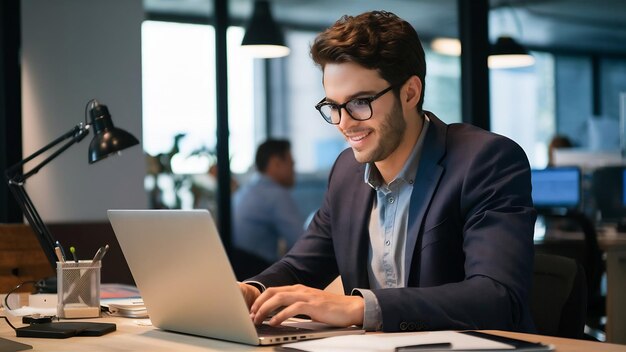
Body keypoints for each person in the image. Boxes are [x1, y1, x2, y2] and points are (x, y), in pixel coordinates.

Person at [239, 11, 536, 333]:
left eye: (360, 102)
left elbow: (497, 297)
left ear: (410, 93)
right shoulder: (346, 172)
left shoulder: (486, 161)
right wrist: (251, 292)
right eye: (334, 106)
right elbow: (302, 266)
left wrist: (360, 307)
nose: (344, 123)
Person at [232, 139, 304, 271]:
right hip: (257, 271)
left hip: (237, 271)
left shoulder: (244, 191)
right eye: (291, 164)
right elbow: (302, 244)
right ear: (276, 163)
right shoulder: (276, 195)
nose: (294, 171)